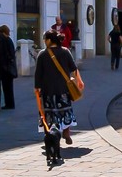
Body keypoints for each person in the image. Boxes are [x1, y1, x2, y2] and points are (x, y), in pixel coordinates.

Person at [33, 29, 84, 168]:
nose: (44, 41)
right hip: (63, 89)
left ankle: (51, 137)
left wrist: (36, 87)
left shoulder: (42, 54)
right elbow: (74, 68)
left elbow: (38, 74)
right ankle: (66, 132)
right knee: (65, 111)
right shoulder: (65, 52)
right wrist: (79, 81)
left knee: (49, 114)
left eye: (45, 39)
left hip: (48, 90)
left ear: (49, 40)